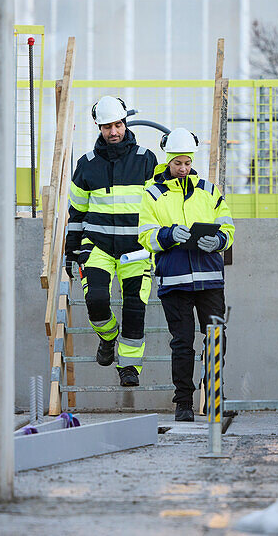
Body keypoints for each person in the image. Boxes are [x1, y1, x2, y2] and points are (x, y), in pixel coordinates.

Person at [137, 128, 235, 421]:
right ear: (168, 161)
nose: (183, 168)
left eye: (187, 162)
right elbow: (145, 235)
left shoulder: (208, 190)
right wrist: (168, 235)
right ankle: (183, 403)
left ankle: (215, 394)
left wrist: (218, 241)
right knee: (182, 344)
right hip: (175, 281)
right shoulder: (152, 193)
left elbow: (227, 227)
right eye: (178, 163)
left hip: (209, 279)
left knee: (216, 338)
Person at [65, 96, 158, 387]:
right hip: (98, 246)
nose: (114, 132)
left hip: (137, 248)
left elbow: (159, 205)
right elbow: (76, 212)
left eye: (117, 125)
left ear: (125, 123)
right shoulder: (86, 165)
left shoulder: (146, 158)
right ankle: (107, 337)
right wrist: (71, 250)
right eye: (107, 127)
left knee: (134, 309)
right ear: (98, 126)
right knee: (96, 300)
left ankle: (129, 366)